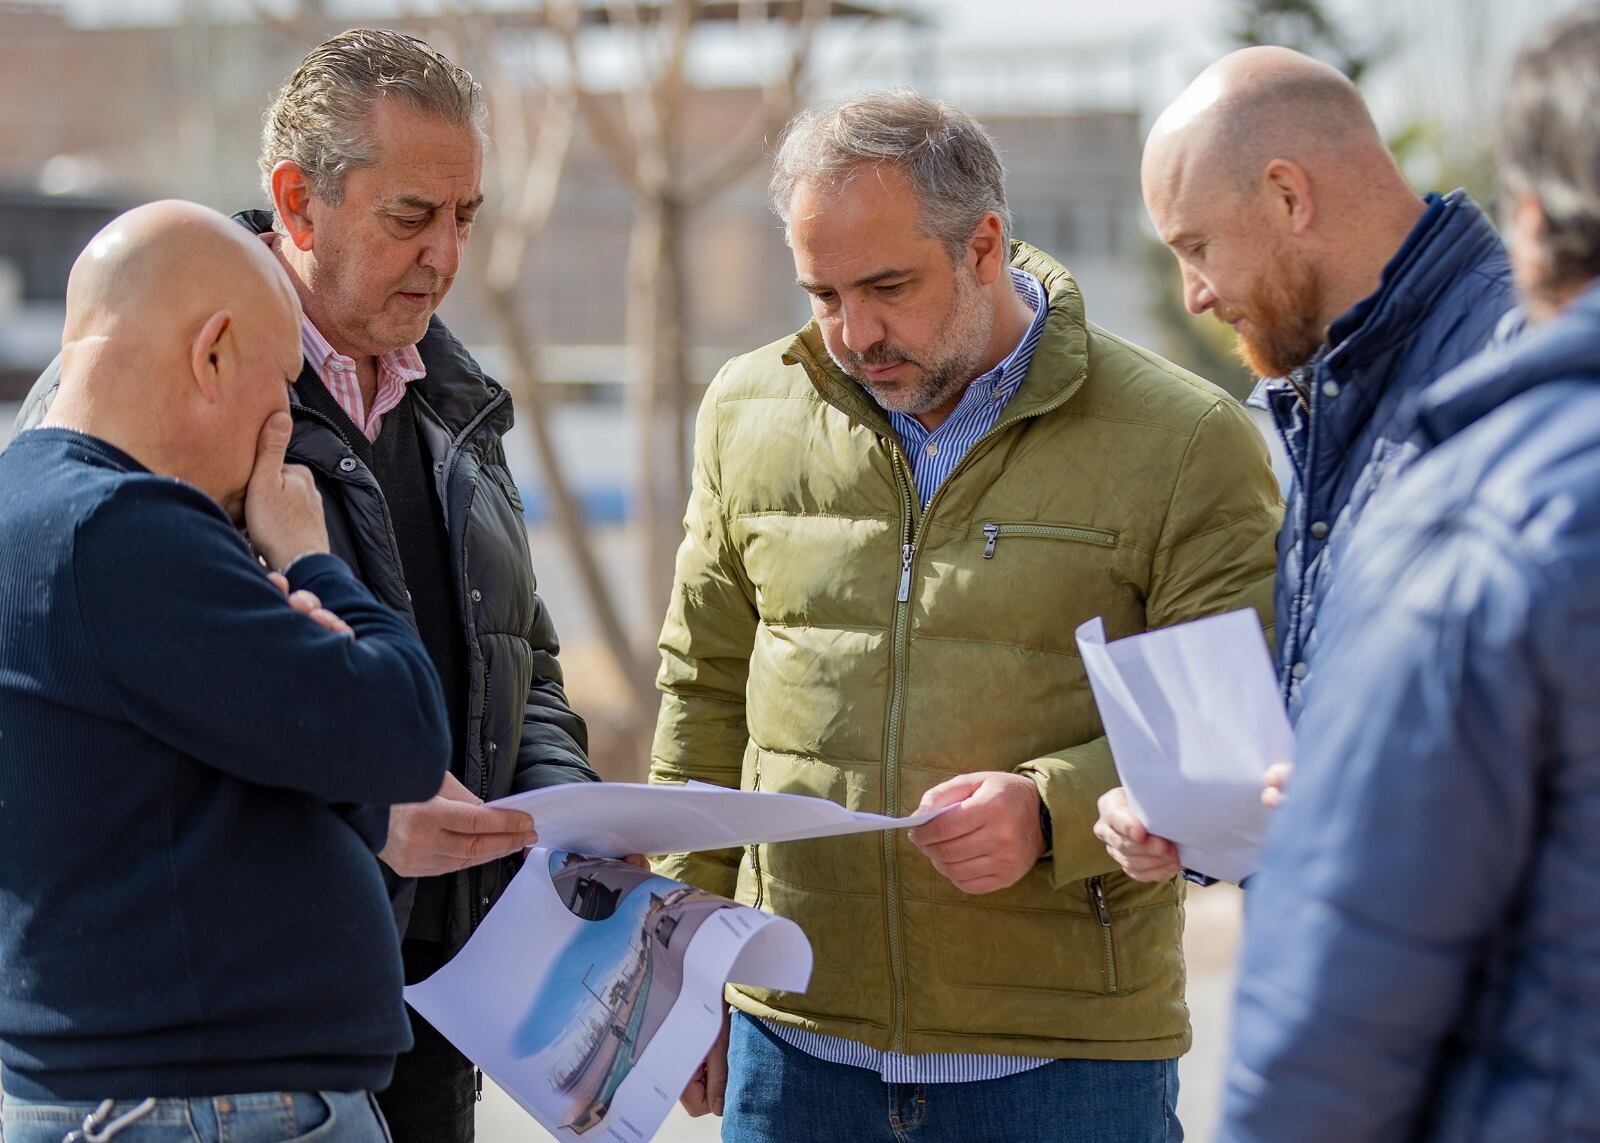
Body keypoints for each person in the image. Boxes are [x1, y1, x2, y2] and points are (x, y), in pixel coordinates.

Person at [649, 89, 1282, 1143]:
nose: (854, 333)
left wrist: (1048, 809)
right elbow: (703, 688)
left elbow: (1231, 738)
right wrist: (679, 955)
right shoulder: (746, 412)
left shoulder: (1182, 442)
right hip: (792, 1058)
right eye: (822, 294)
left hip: (1063, 1068)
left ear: (983, 245)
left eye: (888, 287)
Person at [14, 29, 599, 1142]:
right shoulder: (141, 389)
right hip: (241, 1022)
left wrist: (566, 815)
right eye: (410, 216)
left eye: (464, 219)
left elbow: (522, 657)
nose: (443, 255)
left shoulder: (460, 407)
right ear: (298, 198)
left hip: (441, 1001)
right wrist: (368, 803)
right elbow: (111, 704)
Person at [1218, 8, 1600, 1138]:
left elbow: (1345, 981)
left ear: (1532, 226)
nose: (1194, 290)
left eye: (1195, 248)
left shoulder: (1483, 515)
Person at [0, 201, 451, 1142]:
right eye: (283, 383)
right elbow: (402, 731)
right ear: (211, 354)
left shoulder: (35, 510)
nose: (284, 424)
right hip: (204, 1105)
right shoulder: (122, 530)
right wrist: (308, 555)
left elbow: (193, 774)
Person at [1094, 46, 1514, 882]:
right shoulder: (1319, 394)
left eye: (1197, 246)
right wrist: (1201, 819)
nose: (1194, 296)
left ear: (1288, 196)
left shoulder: (1521, 365)